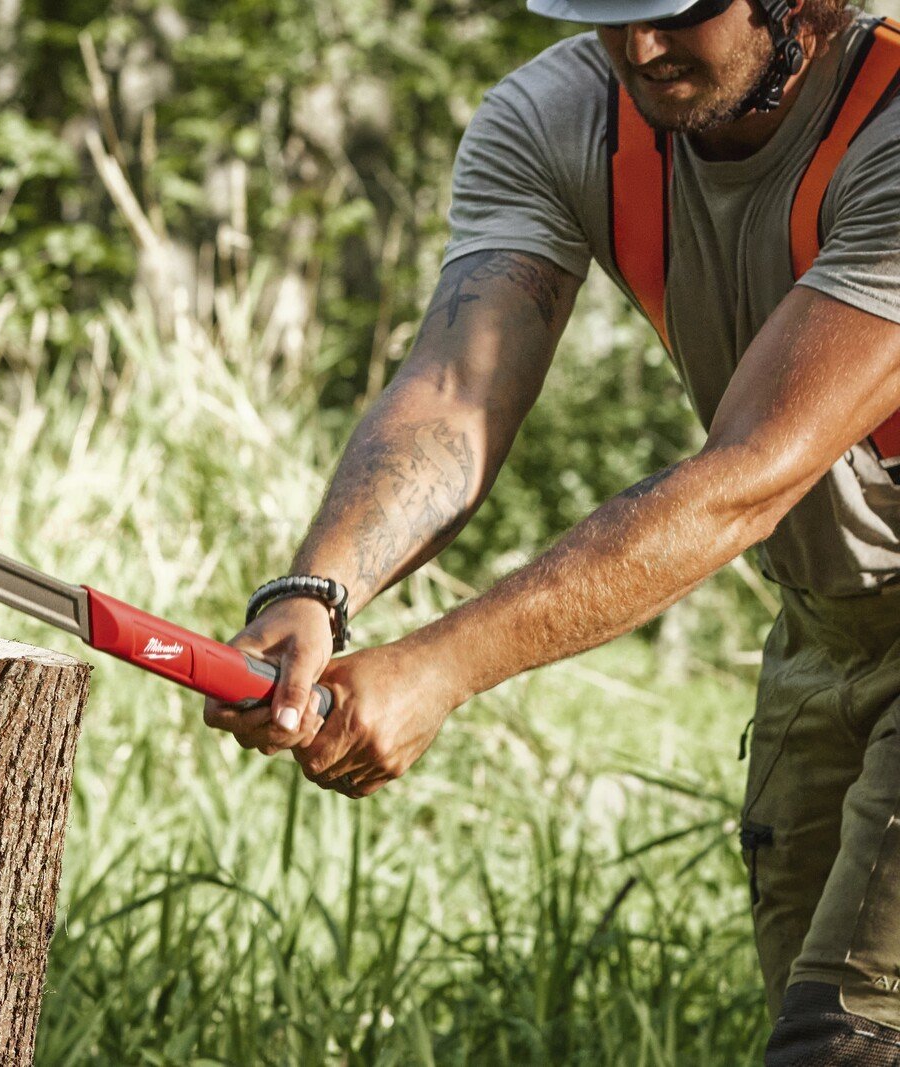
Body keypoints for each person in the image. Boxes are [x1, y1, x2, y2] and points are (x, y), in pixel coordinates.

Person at [202, 0, 900, 1060]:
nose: (639, 48)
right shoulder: (559, 116)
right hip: (822, 629)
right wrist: (317, 590)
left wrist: (438, 667)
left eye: (675, 12)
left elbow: (748, 473)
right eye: (607, 15)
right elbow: (455, 389)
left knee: (842, 1040)